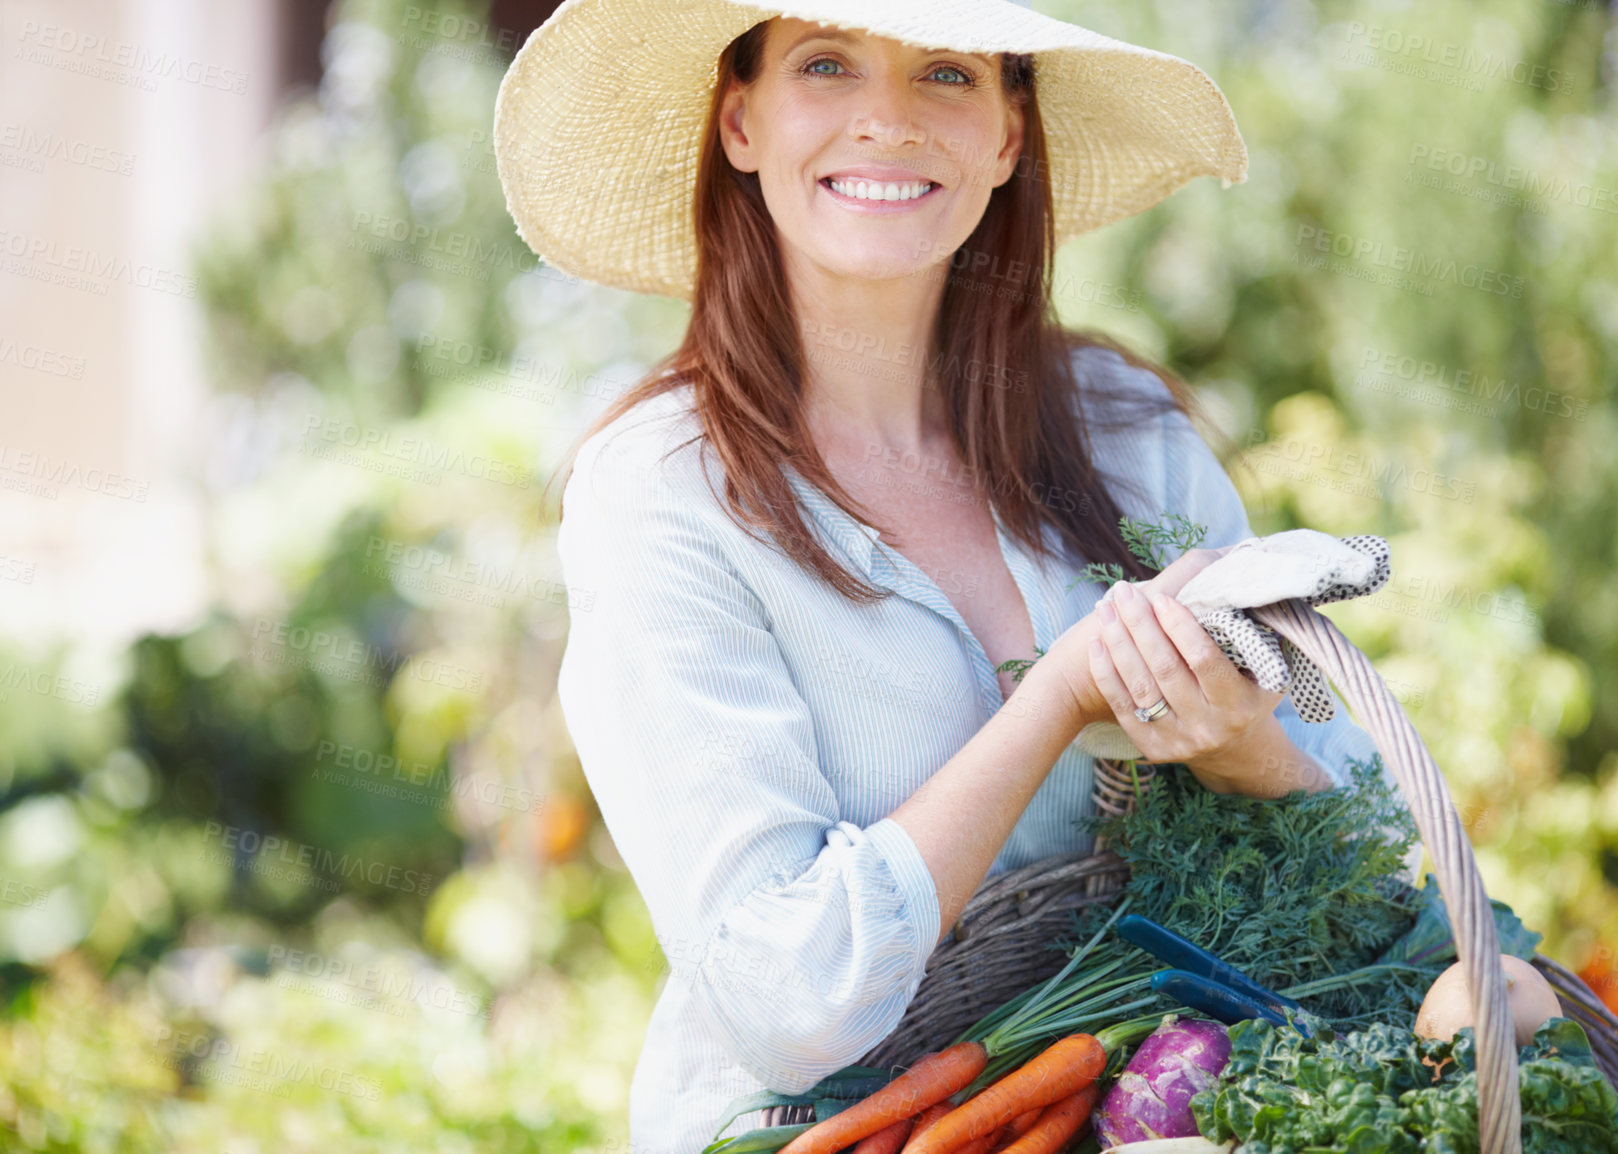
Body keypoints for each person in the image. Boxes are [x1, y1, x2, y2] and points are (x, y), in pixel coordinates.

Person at [492, 2, 1402, 1149]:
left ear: (1009, 135)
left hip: (1136, 1107)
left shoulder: (1132, 441)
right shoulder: (664, 494)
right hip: (819, 1124)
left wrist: (1244, 748)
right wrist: (1055, 699)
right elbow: (783, 996)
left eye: (946, 74)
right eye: (826, 64)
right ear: (739, 120)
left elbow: (1378, 871)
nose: (887, 119)